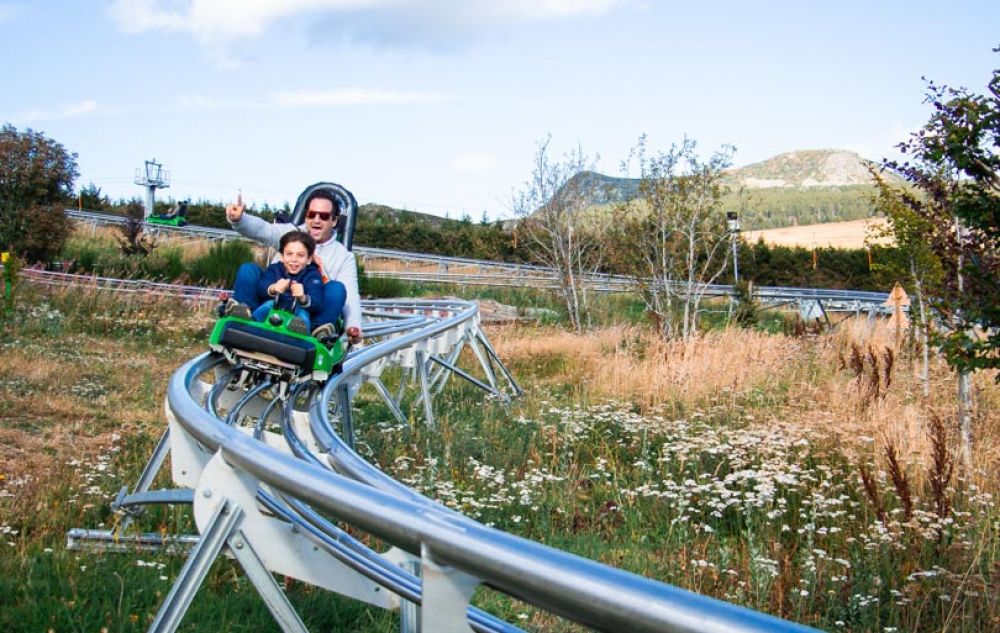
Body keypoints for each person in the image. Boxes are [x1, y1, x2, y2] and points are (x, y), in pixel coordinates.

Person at [225, 190, 363, 344]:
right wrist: (239, 220)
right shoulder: (292, 234)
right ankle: (245, 315)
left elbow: (350, 294)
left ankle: (316, 331)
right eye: (312, 214)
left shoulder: (343, 256)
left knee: (337, 289)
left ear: (334, 220)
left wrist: (353, 326)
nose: (316, 220)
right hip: (276, 298)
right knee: (248, 269)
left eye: (323, 216)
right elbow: (265, 230)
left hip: (310, 306)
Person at [235, 230, 324, 335]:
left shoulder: (312, 275)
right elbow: (261, 286)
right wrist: (273, 288)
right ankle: (251, 321)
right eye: (289, 254)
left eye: (300, 255)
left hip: (297, 308)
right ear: (282, 256)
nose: (294, 259)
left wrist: (303, 298)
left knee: (303, 315)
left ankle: (299, 331)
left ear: (309, 259)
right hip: (275, 304)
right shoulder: (275, 269)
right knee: (266, 306)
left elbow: (317, 300)